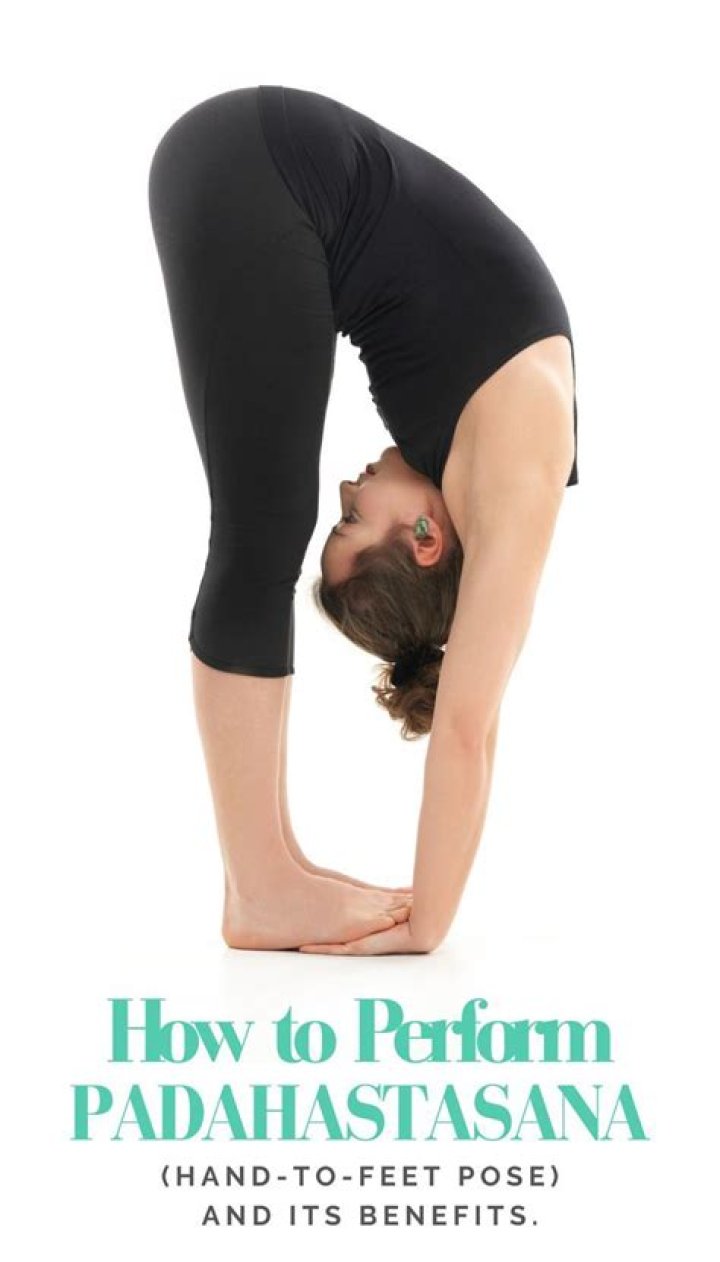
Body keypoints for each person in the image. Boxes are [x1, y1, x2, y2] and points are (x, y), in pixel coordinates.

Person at [147, 85, 579, 955]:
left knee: (264, 527)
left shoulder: (482, 469)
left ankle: (273, 869)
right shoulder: (516, 464)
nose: (351, 484)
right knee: (264, 531)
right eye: (355, 518)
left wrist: (424, 901)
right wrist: (426, 924)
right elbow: (465, 727)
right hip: (254, 167)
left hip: (249, 170)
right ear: (425, 540)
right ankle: (262, 886)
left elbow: (476, 707)